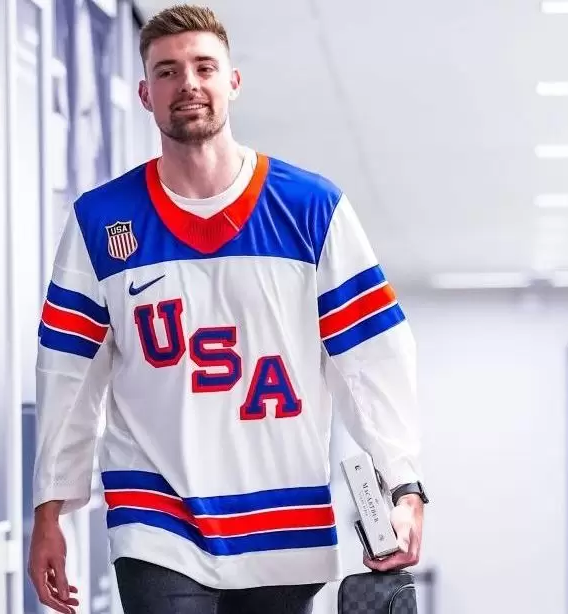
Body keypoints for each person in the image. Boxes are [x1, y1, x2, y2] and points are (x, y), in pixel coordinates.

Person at [28, 4, 428, 613]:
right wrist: (49, 509)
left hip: (283, 519)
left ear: (233, 82)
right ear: (145, 94)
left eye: (204, 67)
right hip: (157, 520)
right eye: (167, 71)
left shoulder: (313, 210)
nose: (187, 83)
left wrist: (404, 483)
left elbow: (372, 357)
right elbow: (68, 372)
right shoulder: (100, 221)